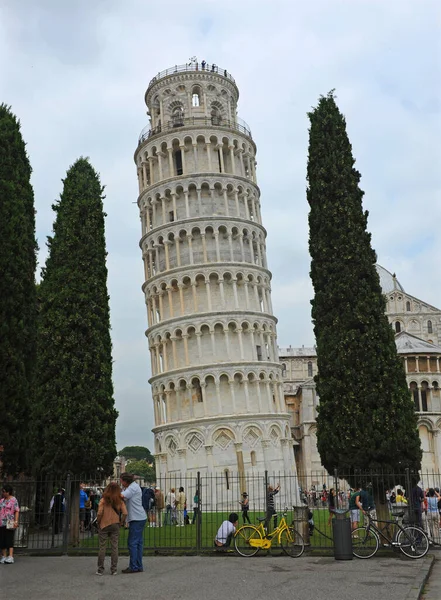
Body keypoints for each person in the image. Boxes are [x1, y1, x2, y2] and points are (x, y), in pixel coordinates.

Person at [96, 482, 127, 576]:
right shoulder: (120, 500)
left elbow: (99, 512)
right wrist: (121, 522)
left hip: (104, 524)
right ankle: (114, 569)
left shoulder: (103, 500)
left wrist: (98, 521)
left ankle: (100, 569)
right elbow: (125, 513)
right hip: (115, 524)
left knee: (102, 547)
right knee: (114, 547)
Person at [120, 473, 147, 574]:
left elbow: (122, 496)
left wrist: (111, 493)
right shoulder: (134, 486)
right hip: (140, 517)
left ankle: (134, 566)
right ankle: (138, 565)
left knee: (132, 543)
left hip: (136, 518)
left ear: (125, 481)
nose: (121, 483)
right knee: (138, 543)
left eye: (121, 481)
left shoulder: (131, 488)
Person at [0, 485, 19, 564]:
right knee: (2, 539)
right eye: (3, 491)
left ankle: (10, 556)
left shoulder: (13, 500)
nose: (3, 493)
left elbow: (17, 510)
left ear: (8, 492)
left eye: (4, 491)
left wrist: (16, 521)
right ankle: (4, 556)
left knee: (9, 538)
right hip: (1, 522)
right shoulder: (1, 501)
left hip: (9, 522)